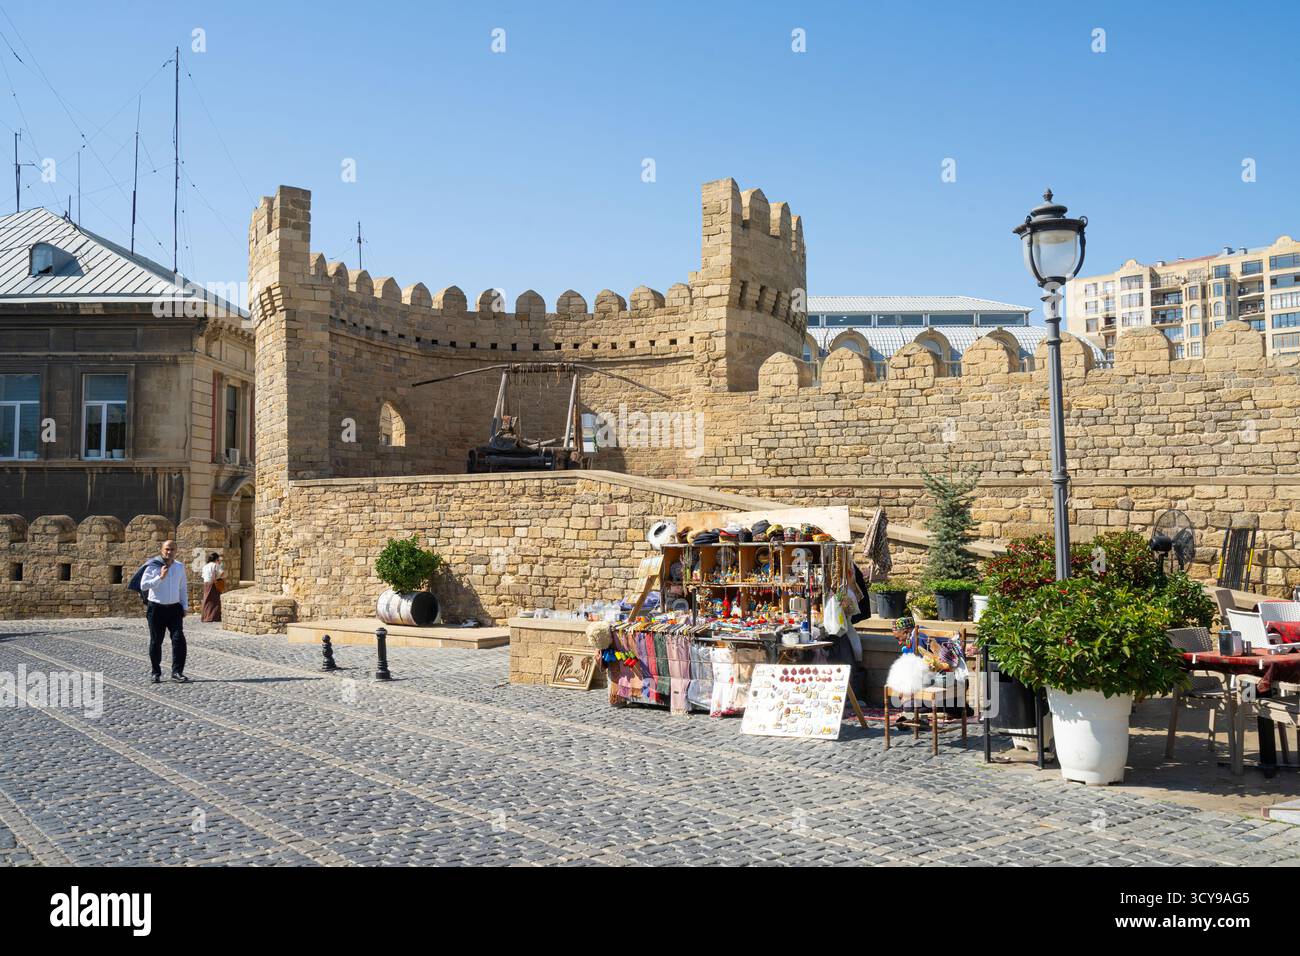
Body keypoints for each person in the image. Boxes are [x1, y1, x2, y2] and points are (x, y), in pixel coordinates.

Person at [140, 540, 189, 684]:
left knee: (179, 639)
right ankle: (156, 672)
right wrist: (159, 577)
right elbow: (144, 585)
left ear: (176, 551)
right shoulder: (153, 566)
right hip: (156, 608)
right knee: (156, 641)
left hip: (174, 608)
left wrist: (184, 606)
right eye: (167, 549)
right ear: (162, 550)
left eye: (172, 549)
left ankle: (177, 672)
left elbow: (182, 588)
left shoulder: (179, 567)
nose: (169, 552)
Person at [201, 552, 225, 623]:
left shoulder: (205, 566)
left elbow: (203, 576)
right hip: (214, 583)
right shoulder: (215, 565)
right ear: (216, 559)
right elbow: (222, 573)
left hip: (206, 584)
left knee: (207, 600)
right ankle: (213, 617)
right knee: (215, 600)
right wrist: (220, 578)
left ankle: (205, 616)